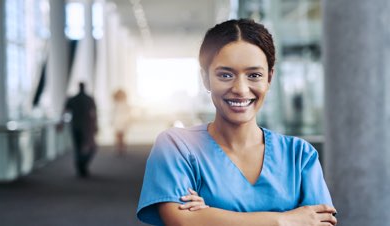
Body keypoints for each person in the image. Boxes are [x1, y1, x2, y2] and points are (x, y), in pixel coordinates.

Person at [136, 19, 337, 226]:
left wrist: (209, 216)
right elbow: (182, 221)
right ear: (205, 79)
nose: (240, 88)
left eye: (254, 75)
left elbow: (321, 223)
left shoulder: (298, 155)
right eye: (225, 75)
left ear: (269, 78)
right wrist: (283, 220)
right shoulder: (176, 146)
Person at [63, 82, 98, 177]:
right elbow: (94, 114)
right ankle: (82, 165)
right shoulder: (89, 99)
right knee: (91, 147)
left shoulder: (73, 99)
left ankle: (80, 165)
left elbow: (65, 111)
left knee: (78, 148)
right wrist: (95, 126)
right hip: (86, 127)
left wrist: (61, 124)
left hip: (75, 126)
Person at [112, 89, 131, 156]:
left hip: (121, 122)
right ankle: (120, 149)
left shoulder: (119, 104)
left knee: (120, 136)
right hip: (120, 122)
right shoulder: (122, 104)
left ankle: (120, 149)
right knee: (120, 136)